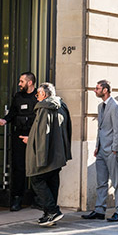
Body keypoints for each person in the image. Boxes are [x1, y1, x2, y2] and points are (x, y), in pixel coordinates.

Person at [25, 82, 72, 227]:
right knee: (52, 181)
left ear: (44, 95)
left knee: (37, 179)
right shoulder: (62, 106)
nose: (36, 96)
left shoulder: (44, 109)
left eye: (38, 94)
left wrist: (40, 155)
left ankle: (52, 211)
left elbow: (43, 134)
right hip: (57, 153)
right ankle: (48, 215)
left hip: (45, 154)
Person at [82, 80, 118, 222]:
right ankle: (99, 210)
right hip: (101, 149)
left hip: (112, 150)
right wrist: (97, 146)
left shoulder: (115, 106)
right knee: (101, 182)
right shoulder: (100, 106)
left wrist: (114, 148)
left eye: (97, 88)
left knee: (116, 181)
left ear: (105, 90)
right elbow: (100, 128)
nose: (95, 90)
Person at [0, 72, 37, 211]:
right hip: (18, 135)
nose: (19, 84)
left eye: (21, 81)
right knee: (18, 167)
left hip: (34, 136)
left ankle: (38, 198)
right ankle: (17, 198)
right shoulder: (18, 96)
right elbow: (12, 112)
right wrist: (5, 120)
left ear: (29, 82)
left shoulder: (38, 96)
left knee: (36, 167)